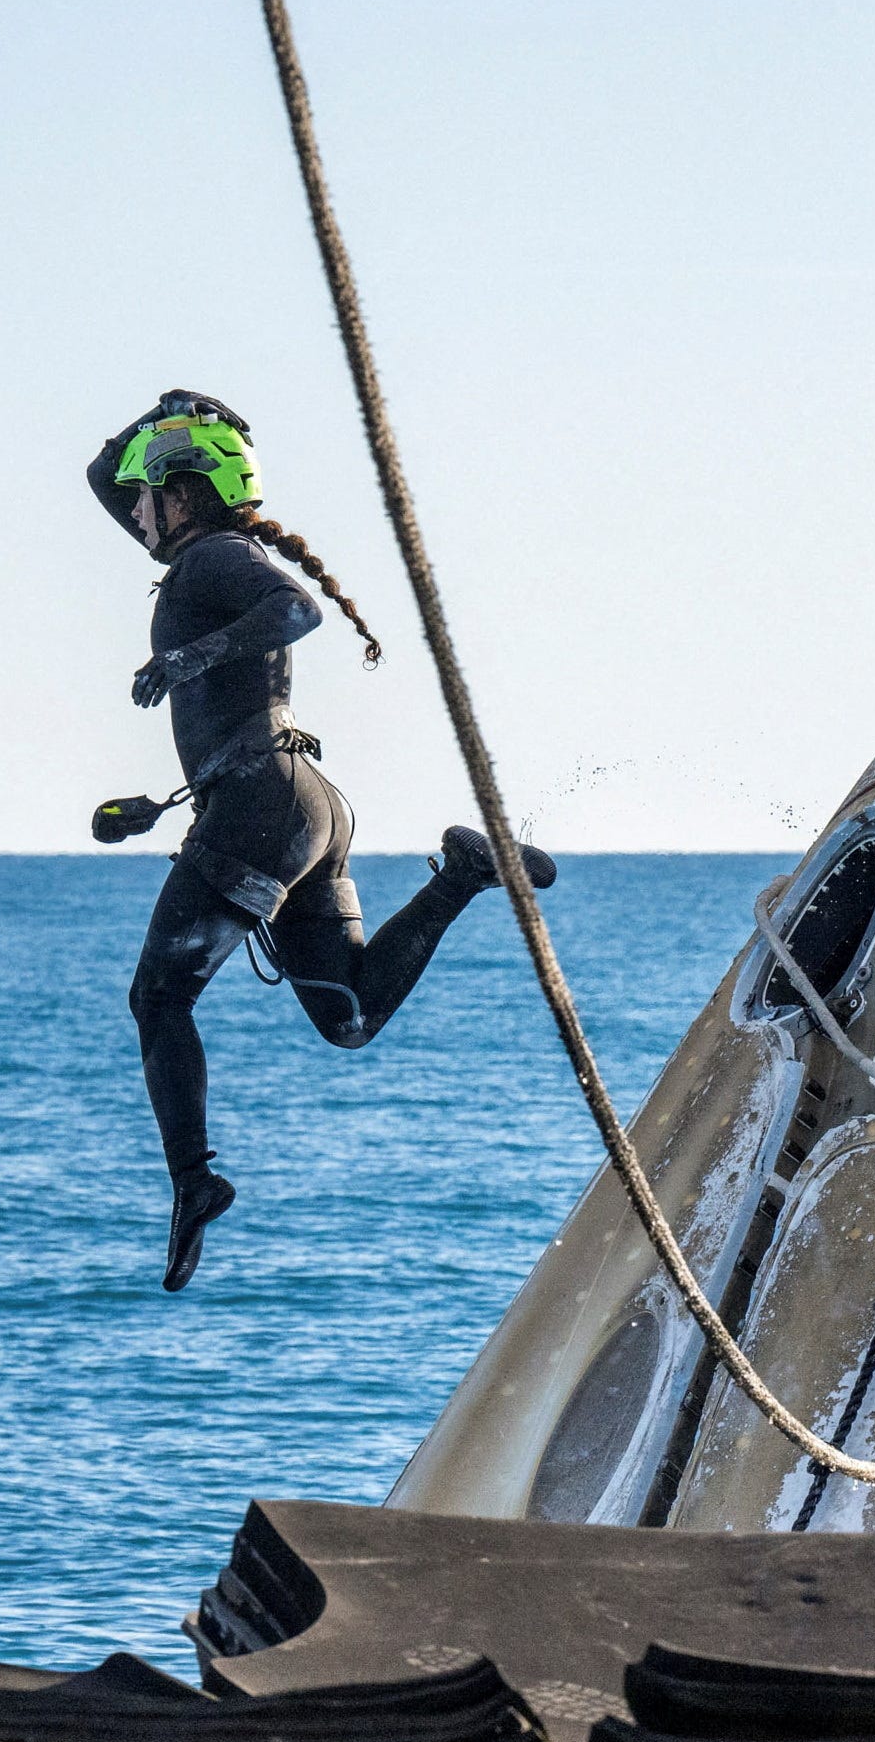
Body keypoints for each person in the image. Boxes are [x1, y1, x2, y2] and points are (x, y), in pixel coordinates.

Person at [87, 391, 556, 1292]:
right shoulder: (201, 549)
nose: (136, 509)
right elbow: (104, 478)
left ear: (184, 495)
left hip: (262, 800)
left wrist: (187, 659)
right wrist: (158, 413)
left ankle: (192, 1181)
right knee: (349, 1018)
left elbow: (296, 612)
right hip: (303, 804)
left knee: (159, 994)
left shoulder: (218, 557)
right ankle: (460, 875)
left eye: (152, 493)